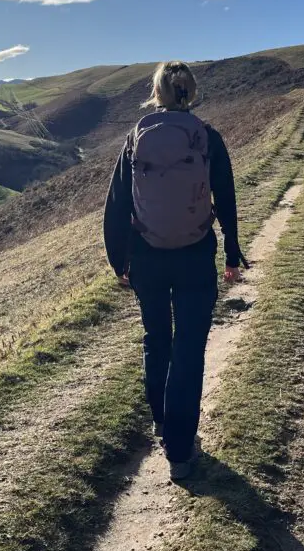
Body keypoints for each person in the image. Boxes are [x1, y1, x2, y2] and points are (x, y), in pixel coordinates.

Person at [103, 61, 246, 481]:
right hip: (195, 255)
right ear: (192, 92)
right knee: (188, 348)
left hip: (147, 256)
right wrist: (232, 254)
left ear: (157, 92)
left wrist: (120, 260)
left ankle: (162, 423)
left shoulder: (136, 138)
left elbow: (117, 203)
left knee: (156, 337)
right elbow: (227, 196)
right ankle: (181, 454)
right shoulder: (207, 137)